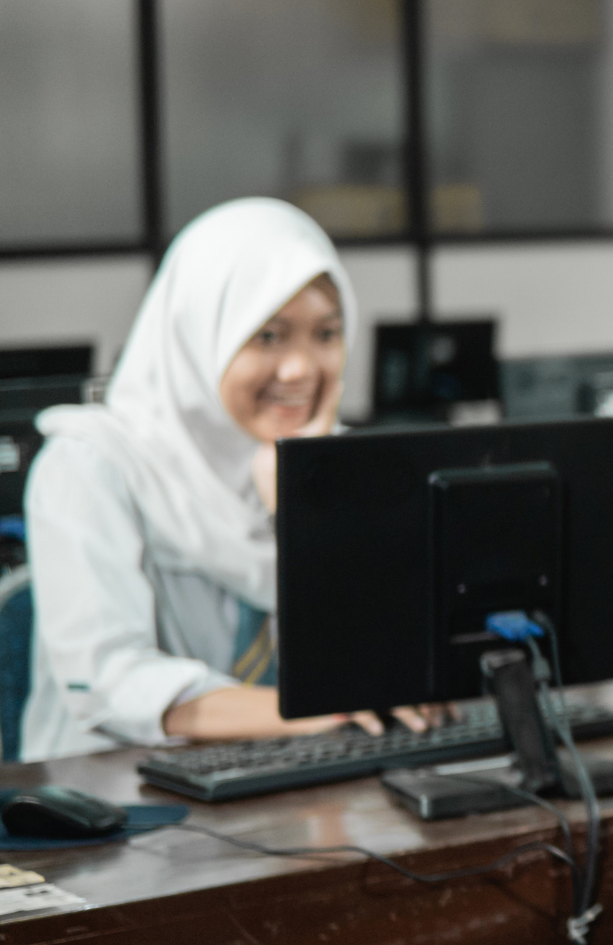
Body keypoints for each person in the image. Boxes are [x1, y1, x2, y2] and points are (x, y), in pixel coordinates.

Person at [23, 197, 434, 760]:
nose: (301, 369)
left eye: (326, 333)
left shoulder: (336, 459)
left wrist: (296, 501)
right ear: (198, 332)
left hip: (287, 786)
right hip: (109, 801)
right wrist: (309, 712)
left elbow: (377, 655)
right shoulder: (91, 467)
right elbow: (108, 684)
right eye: (268, 336)